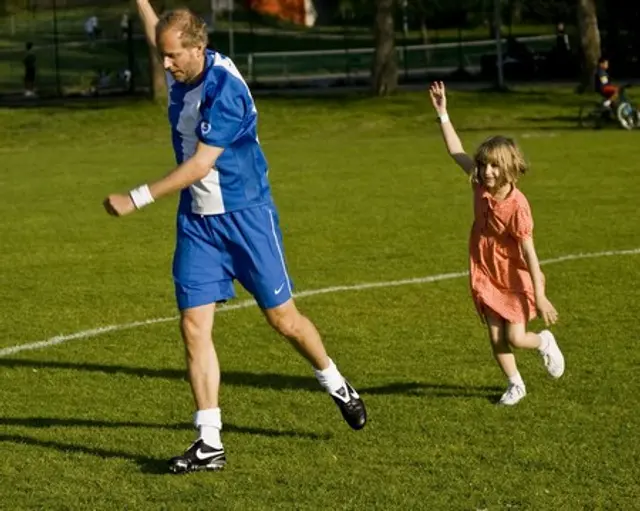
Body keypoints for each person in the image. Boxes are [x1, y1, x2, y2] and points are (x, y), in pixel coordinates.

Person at [103, 2, 366, 474]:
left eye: (171, 57)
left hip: (245, 215)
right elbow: (159, 35)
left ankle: (335, 381)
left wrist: (136, 197)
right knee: (193, 327)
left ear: (198, 49)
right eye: (162, 56)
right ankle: (209, 442)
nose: (164, 65)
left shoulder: (224, 90)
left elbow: (202, 165)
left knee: (284, 321)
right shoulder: (183, 66)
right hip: (198, 223)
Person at [428, 81, 565, 406]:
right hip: (486, 270)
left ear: (509, 168)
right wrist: (443, 113)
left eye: (494, 166)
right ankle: (515, 384)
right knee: (494, 336)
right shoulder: (478, 183)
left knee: (516, 338)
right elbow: (455, 150)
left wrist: (541, 296)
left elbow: (529, 253)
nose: (486, 172)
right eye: (483, 165)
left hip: (513, 274)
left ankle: (544, 341)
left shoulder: (518, 205)